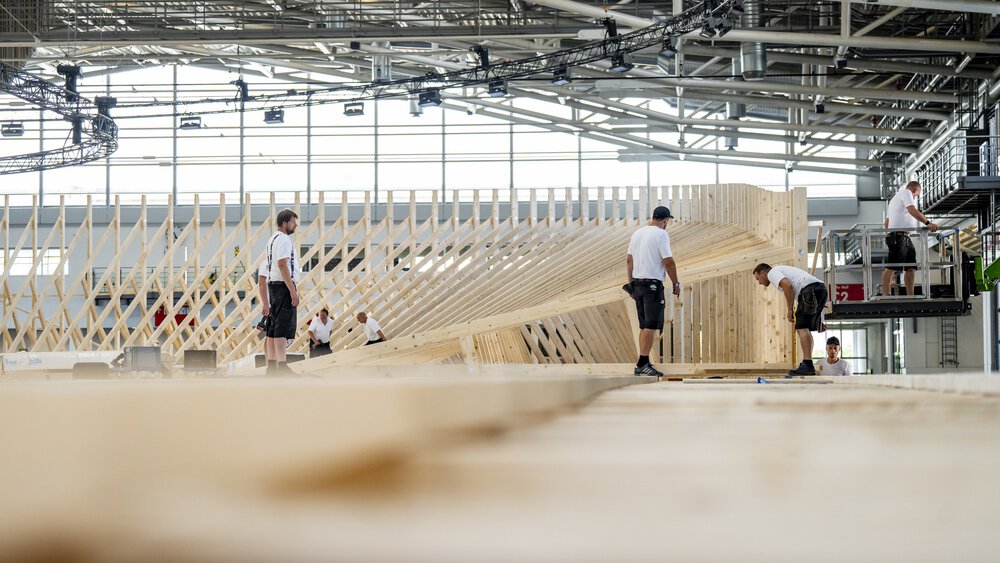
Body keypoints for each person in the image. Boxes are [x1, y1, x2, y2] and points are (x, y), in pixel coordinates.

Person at [625, 206, 680, 377]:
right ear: (665, 221)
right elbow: (668, 262)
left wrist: (631, 285)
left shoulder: (638, 233)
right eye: (667, 222)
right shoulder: (661, 234)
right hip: (652, 286)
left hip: (638, 285)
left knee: (644, 325)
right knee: (651, 325)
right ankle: (642, 364)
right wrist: (676, 283)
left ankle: (643, 362)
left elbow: (628, 261)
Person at [753, 263, 828, 376]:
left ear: (763, 273)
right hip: (820, 289)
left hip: (809, 290)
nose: (759, 282)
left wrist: (789, 310)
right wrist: (819, 320)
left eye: (758, 278)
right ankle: (808, 363)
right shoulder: (783, 270)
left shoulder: (772, 273)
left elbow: (788, 286)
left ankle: (807, 364)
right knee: (805, 328)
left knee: (801, 327)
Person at [881, 181, 939, 297]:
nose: (915, 197)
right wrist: (928, 223)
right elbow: (912, 210)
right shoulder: (906, 193)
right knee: (892, 267)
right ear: (915, 190)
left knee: (911, 267)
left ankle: (910, 295)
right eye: (917, 195)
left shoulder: (894, 200)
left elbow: (886, 222)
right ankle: (885, 295)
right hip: (898, 236)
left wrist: (889, 235)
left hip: (904, 237)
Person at [264, 208, 299, 375]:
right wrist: (292, 290)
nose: (295, 225)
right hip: (283, 285)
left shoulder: (272, 239)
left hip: (273, 285)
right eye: (293, 222)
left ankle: (271, 367)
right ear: (284, 223)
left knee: (272, 328)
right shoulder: (284, 239)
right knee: (282, 328)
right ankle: (282, 366)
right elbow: (282, 264)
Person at [256, 261, 275, 369]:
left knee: (270, 335)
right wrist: (266, 304)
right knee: (270, 335)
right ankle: (270, 362)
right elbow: (262, 284)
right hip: (271, 305)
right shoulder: (266, 264)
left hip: (273, 304)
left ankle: (271, 361)